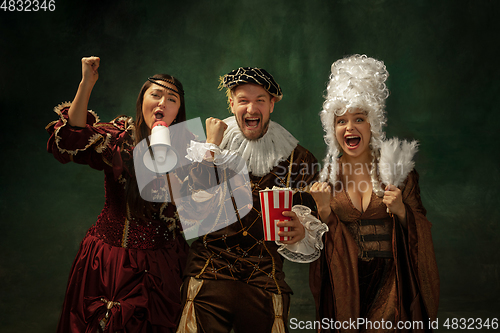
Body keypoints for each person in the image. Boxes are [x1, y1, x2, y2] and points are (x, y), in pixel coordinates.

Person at [175, 67, 328, 333]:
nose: (251, 108)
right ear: (231, 103)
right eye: (243, 100)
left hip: (265, 280)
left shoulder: (300, 159)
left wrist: (301, 231)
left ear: (272, 105)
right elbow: (190, 212)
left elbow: (308, 234)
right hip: (208, 273)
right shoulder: (206, 146)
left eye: (260, 100)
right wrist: (210, 148)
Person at [46, 56, 190, 332]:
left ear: (179, 110)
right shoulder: (119, 138)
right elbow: (72, 136)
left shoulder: (190, 148)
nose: (162, 103)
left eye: (171, 99)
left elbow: (203, 213)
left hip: (164, 264)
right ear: (142, 101)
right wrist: (86, 83)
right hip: (108, 261)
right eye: (156, 95)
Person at [309, 54, 440, 332]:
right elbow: (313, 246)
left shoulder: (396, 170)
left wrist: (403, 212)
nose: (350, 127)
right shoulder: (326, 180)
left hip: (392, 282)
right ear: (332, 129)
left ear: (373, 124)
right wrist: (322, 212)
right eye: (341, 121)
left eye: (359, 118)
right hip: (347, 283)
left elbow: (421, 227)